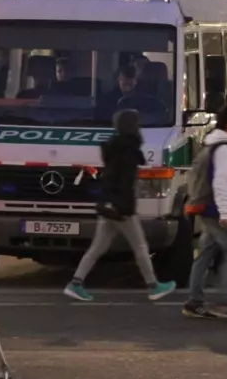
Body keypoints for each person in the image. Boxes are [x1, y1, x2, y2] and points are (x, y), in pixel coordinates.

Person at [64, 110, 176, 302]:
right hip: (121, 206)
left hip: (106, 202)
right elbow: (124, 181)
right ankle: (153, 286)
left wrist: (108, 201)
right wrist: (124, 207)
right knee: (140, 246)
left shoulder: (112, 146)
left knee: (98, 247)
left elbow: (111, 176)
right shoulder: (129, 150)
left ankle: (76, 283)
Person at [182, 106, 227, 320]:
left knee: (204, 254)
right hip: (216, 211)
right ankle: (223, 302)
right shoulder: (224, 149)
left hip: (209, 209)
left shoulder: (213, 144)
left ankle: (194, 301)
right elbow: (221, 182)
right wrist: (224, 213)